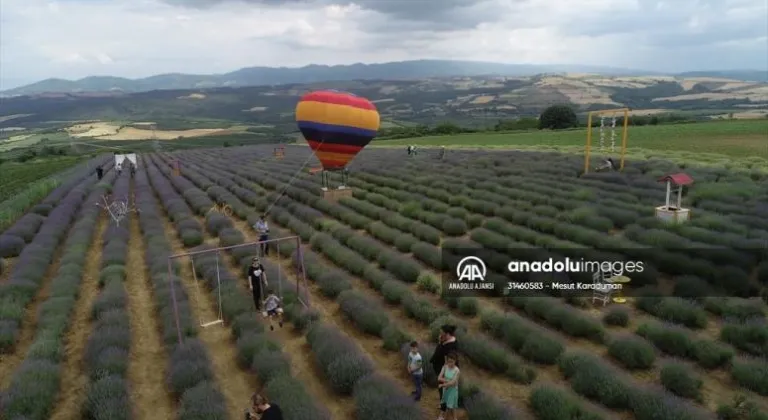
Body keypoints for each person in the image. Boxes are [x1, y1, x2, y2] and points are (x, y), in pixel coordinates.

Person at [430, 324, 459, 406]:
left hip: (445, 371)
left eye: (442, 332)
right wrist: (440, 342)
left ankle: (444, 405)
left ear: (447, 334)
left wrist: (444, 373)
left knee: (443, 388)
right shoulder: (445, 341)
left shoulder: (451, 346)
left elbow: (448, 362)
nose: (440, 333)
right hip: (440, 368)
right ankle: (443, 403)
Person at [437, 352, 460, 420]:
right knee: (444, 402)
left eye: (452, 362)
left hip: (453, 390)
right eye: (449, 361)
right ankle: (441, 416)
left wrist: (443, 384)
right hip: (446, 388)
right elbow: (439, 378)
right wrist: (447, 381)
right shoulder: (444, 367)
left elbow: (453, 383)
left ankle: (454, 418)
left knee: (452, 405)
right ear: (447, 361)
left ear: (455, 361)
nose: (450, 363)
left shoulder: (457, 370)